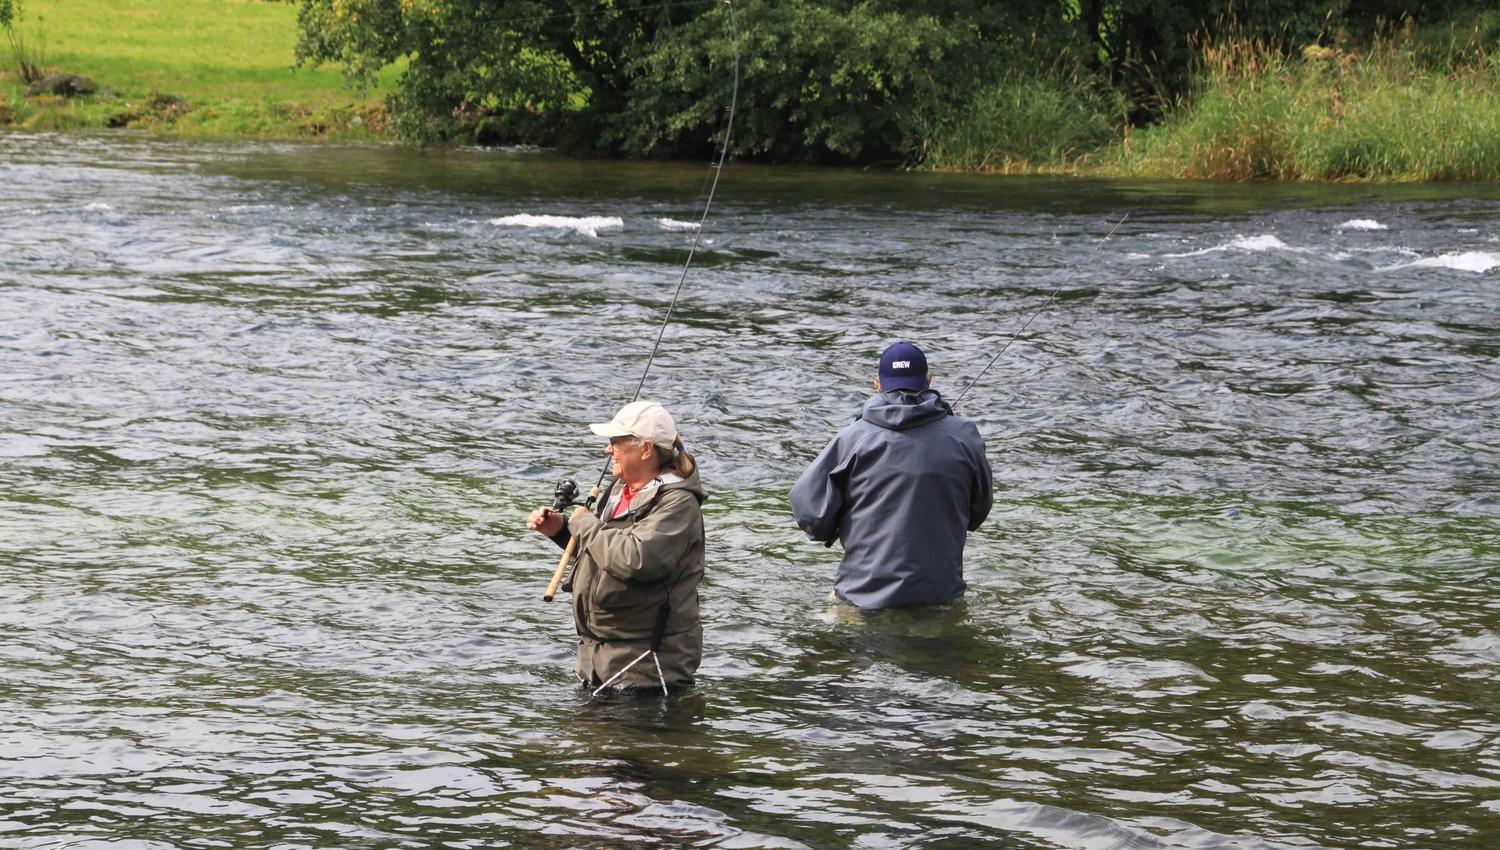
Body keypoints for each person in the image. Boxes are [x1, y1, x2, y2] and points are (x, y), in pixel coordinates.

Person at [790, 341, 993, 609]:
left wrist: (834, 525)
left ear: (877, 384)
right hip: (940, 596)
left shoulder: (852, 438)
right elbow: (979, 510)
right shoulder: (964, 436)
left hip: (862, 598)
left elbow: (809, 514)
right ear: (928, 380)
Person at [527, 401, 706, 692]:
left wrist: (583, 524)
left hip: (645, 669)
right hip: (599, 663)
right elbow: (603, 553)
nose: (607, 450)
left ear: (646, 449)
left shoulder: (678, 503)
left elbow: (636, 559)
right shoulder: (618, 491)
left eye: (615, 442)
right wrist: (561, 529)